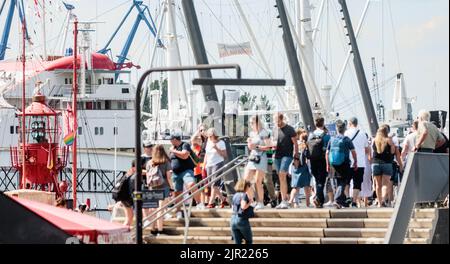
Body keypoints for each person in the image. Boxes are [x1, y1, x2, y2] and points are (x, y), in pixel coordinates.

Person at [325, 120, 357, 209]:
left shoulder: (332, 139)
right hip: (344, 163)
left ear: (336, 129)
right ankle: (337, 200)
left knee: (337, 182)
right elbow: (353, 152)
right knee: (343, 182)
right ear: (344, 129)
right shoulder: (346, 139)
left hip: (333, 164)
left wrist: (327, 164)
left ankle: (341, 202)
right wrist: (355, 162)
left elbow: (327, 153)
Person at [244, 116, 273, 210]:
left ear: (257, 123)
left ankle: (260, 202)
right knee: (245, 181)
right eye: (250, 123)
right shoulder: (252, 133)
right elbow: (250, 147)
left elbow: (269, 147)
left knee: (258, 181)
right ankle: (251, 200)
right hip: (253, 157)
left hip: (262, 158)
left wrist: (256, 147)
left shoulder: (264, 132)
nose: (251, 125)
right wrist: (250, 144)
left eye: (252, 123)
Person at [146, 144, 174, 235]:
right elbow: (169, 177)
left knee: (153, 210)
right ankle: (160, 230)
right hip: (164, 187)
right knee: (160, 210)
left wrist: (150, 187)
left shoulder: (149, 162)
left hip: (152, 188)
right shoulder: (165, 161)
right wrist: (172, 188)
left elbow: (148, 177)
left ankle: (153, 229)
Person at [169, 133, 198, 219]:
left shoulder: (185, 145)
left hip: (186, 170)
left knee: (191, 184)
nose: (170, 142)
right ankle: (178, 211)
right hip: (175, 173)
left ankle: (199, 203)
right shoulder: (173, 148)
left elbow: (185, 155)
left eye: (170, 140)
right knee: (177, 193)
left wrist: (173, 151)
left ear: (174, 139)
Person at [273, 113, 298, 209]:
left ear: (282, 119)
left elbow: (295, 143)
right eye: (275, 122)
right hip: (277, 155)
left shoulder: (289, 129)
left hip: (287, 155)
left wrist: (296, 156)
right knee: (280, 177)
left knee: (282, 174)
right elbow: (273, 141)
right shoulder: (275, 129)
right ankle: (283, 200)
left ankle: (284, 201)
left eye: (278, 121)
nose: (277, 123)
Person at [344, 117, 370, 208]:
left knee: (346, 181)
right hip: (360, 163)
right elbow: (367, 149)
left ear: (350, 123)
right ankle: (354, 202)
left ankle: (347, 197)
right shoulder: (363, 134)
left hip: (348, 162)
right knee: (357, 183)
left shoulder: (346, 133)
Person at [307, 117, 331, 208]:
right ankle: (318, 199)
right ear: (323, 123)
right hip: (322, 160)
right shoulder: (326, 136)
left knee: (317, 180)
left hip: (312, 160)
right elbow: (329, 150)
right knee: (321, 181)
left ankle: (319, 201)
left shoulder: (311, 135)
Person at [371, 125, 396, 208]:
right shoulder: (388, 140)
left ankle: (379, 203)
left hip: (375, 164)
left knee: (378, 185)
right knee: (385, 184)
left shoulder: (374, 140)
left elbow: (372, 152)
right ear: (386, 132)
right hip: (387, 163)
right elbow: (392, 152)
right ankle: (383, 199)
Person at [203, 128, 229, 208]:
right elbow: (206, 154)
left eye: (211, 136)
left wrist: (216, 148)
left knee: (215, 183)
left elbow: (225, 155)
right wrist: (204, 164)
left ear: (214, 135)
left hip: (218, 163)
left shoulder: (221, 143)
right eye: (208, 136)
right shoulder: (208, 142)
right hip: (209, 165)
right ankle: (223, 199)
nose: (209, 138)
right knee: (212, 184)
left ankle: (211, 202)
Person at [288, 130, 312, 207]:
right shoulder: (305, 146)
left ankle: (291, 200)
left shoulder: (294, 144)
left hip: (295, 167)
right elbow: (308, 156)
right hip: (303, 167)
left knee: (296, 187)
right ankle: (308, 203)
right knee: (306, 187)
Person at [230, 179, 254, 245]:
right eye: (248, 186)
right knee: (249, 241)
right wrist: (250, 202)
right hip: (241, 219)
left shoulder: (235, 195)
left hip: (232, 219)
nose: (249, 187)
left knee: (237, 242)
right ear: (245, 186)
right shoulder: (244, 195)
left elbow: (232, 208)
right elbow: (243, 206)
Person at [191, 135, 207, 209]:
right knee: (194, 188)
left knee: (202, 188)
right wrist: (198, 130)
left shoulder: (202, 148)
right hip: (194, 171)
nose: (199, 140)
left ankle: (202, 203)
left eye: (200, 139)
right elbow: (192, 139)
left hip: (201, 170)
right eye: (198, 139)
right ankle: (196, 203)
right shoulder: (193, 148)